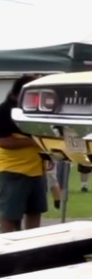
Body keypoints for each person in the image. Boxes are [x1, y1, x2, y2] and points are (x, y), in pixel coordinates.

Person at [0, 75, 48, 233]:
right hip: (13, 171)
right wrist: (36, 142)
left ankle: (32, 244)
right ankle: (7, 246)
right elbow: (5, 142)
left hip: (37, 170)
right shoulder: (4, 111)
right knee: (9, 214)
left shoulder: (35, 111)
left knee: (35, 210)